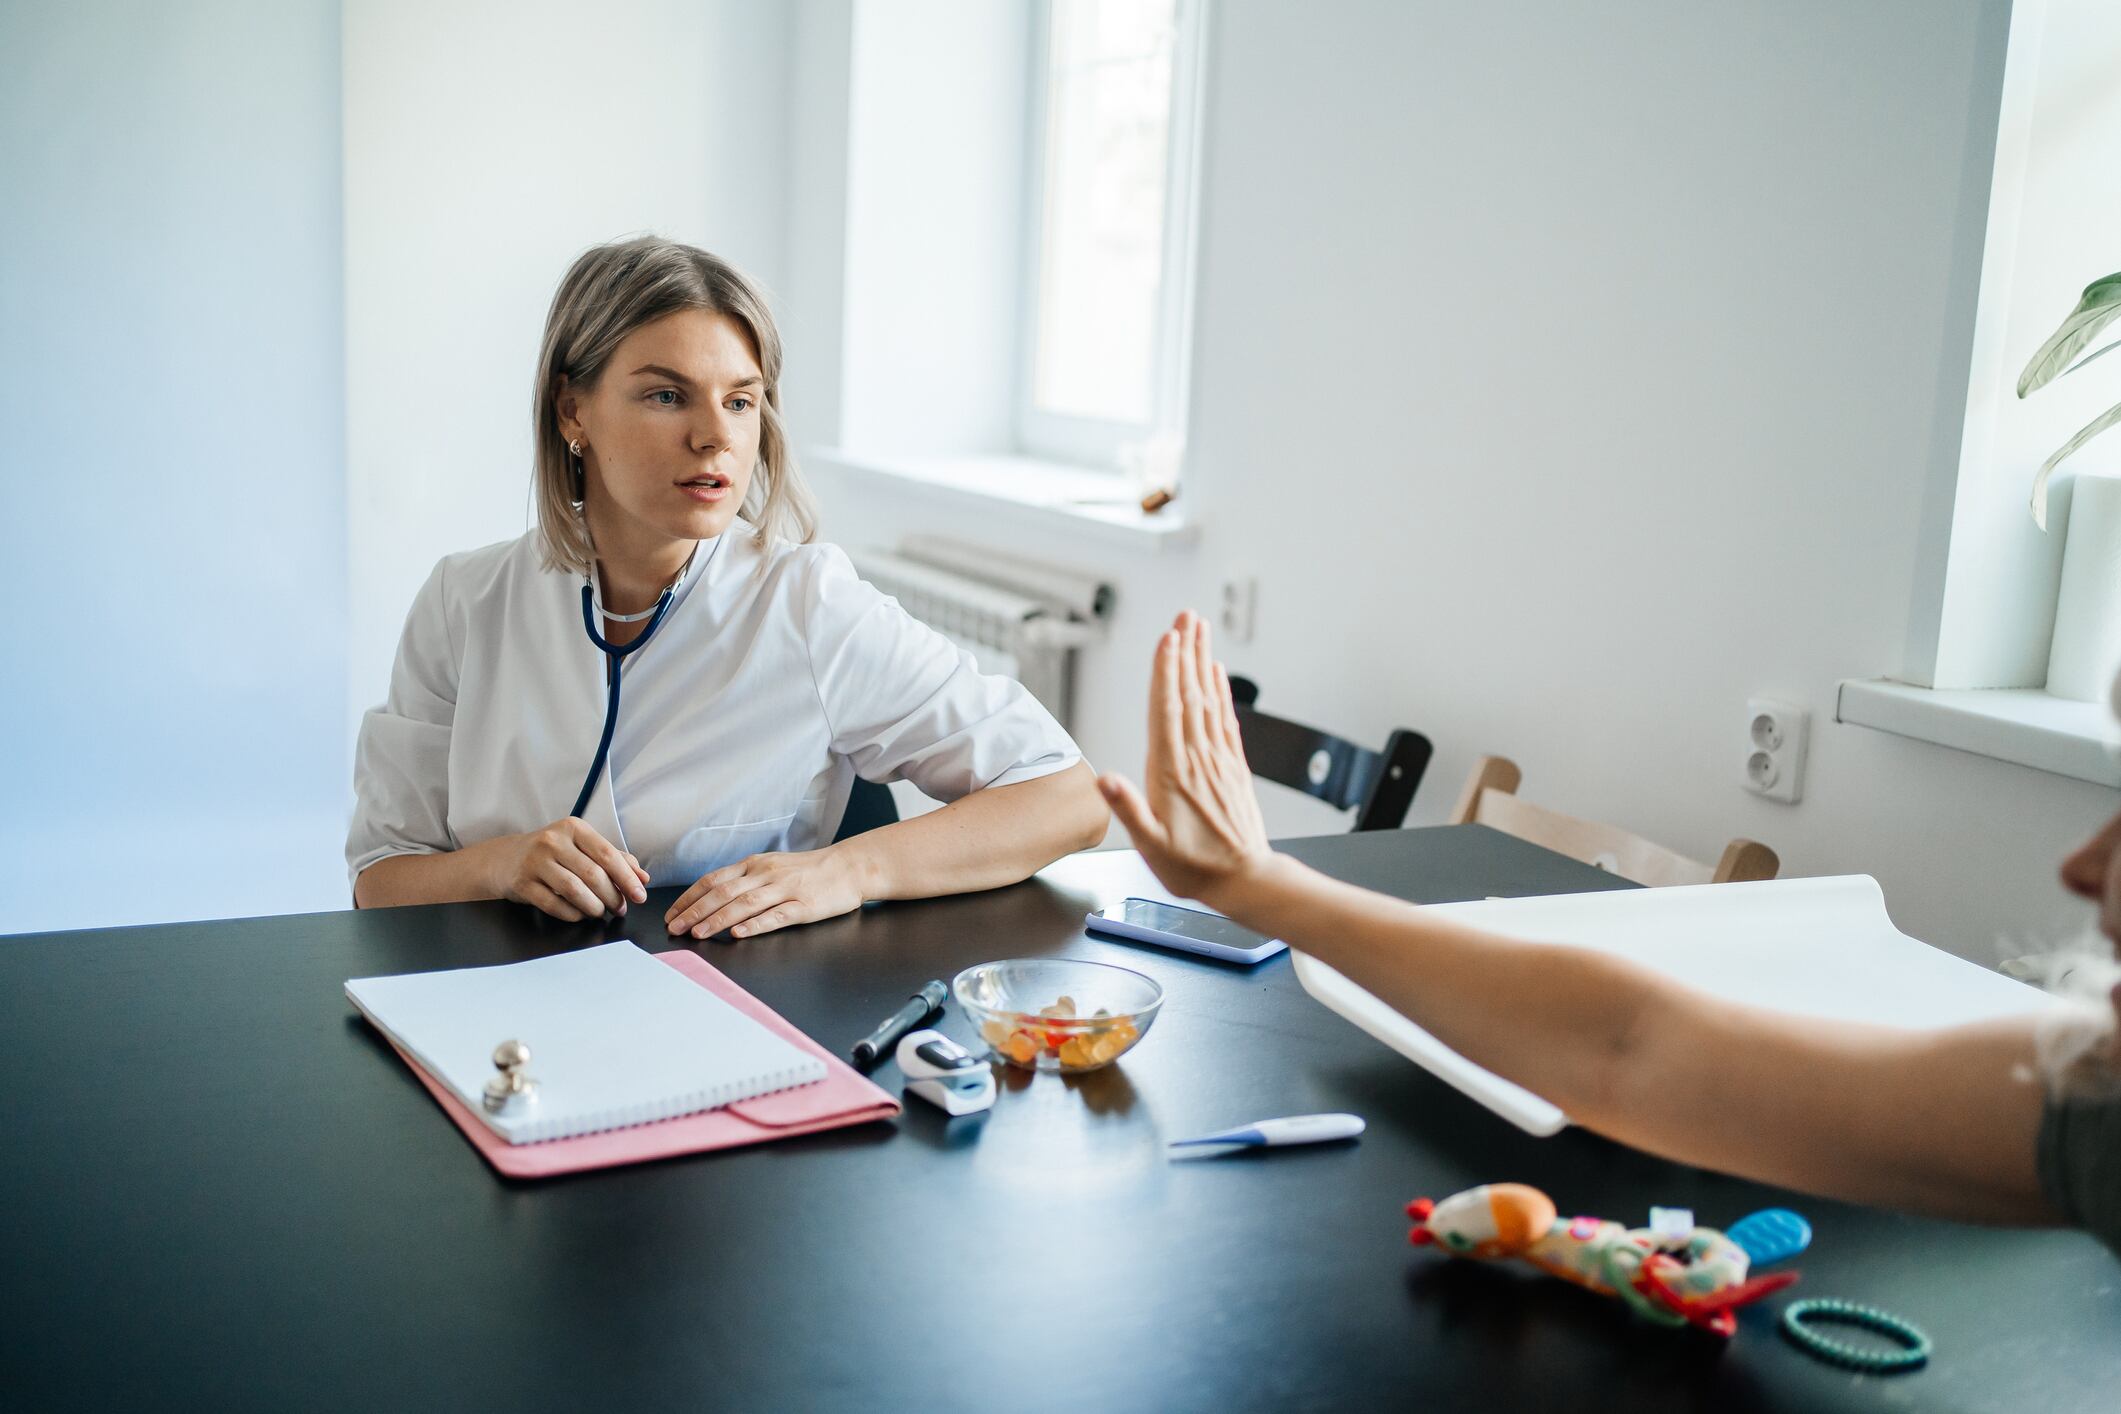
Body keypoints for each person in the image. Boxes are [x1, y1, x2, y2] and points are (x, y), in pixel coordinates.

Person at [1098, 611, 2121, 1251]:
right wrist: (1265, 887)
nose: (2084, 867)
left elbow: (1627, 1050)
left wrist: (1267, 886)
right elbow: (1627, 1047)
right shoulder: (2095, 1107)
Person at [348, 237, 1108, 935]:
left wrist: (848, 868)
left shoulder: (807, 604)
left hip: (734, 1016)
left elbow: (1065, 797)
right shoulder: (464, 603)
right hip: (494, 1020)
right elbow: (381, 878)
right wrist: (499, 866)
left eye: (740, 401)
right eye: (666, 396)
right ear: (572, 409)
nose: (715, 435)